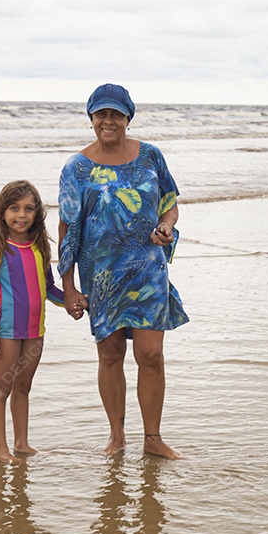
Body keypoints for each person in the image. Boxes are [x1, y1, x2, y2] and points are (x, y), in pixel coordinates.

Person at [58, 84, 189, 460]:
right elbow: (68, 226)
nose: (109, 121)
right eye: (101, 114)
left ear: (128, 118)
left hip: (148, 268)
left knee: (151, 355)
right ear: (91, 119)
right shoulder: (77, 168)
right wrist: (67, 286)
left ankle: (153, 438)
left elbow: (170, 204)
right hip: (100, 274)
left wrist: (167, 226)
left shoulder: (150, 155)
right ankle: (117, 437)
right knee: (111, 354)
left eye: (117, 114)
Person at [0, 180, 78, 464]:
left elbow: (47, 290)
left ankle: (21, 443)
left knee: (23, 387)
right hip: (7, 332)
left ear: (37, 214)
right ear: (2, 213)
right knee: (1, 389)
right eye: (14, 208)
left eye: (28, 209)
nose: (21, 215)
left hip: (35, 332)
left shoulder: (38, 247)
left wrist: (72, 302)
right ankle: (1, 449)